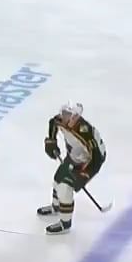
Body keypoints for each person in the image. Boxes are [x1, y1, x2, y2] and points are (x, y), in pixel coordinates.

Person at [38, 101, 105, 235]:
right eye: (64, 113)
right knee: (58, 179)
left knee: (65, 188)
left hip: (88, 161)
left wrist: (84, 174)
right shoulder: (61, 120)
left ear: (75, 117)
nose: (64, 116)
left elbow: (97, 157)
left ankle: (65, 223)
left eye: (68, 114)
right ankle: (57, 206)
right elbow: (53, 123)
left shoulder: (84, 131)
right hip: (74, 156)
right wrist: (51, 141)